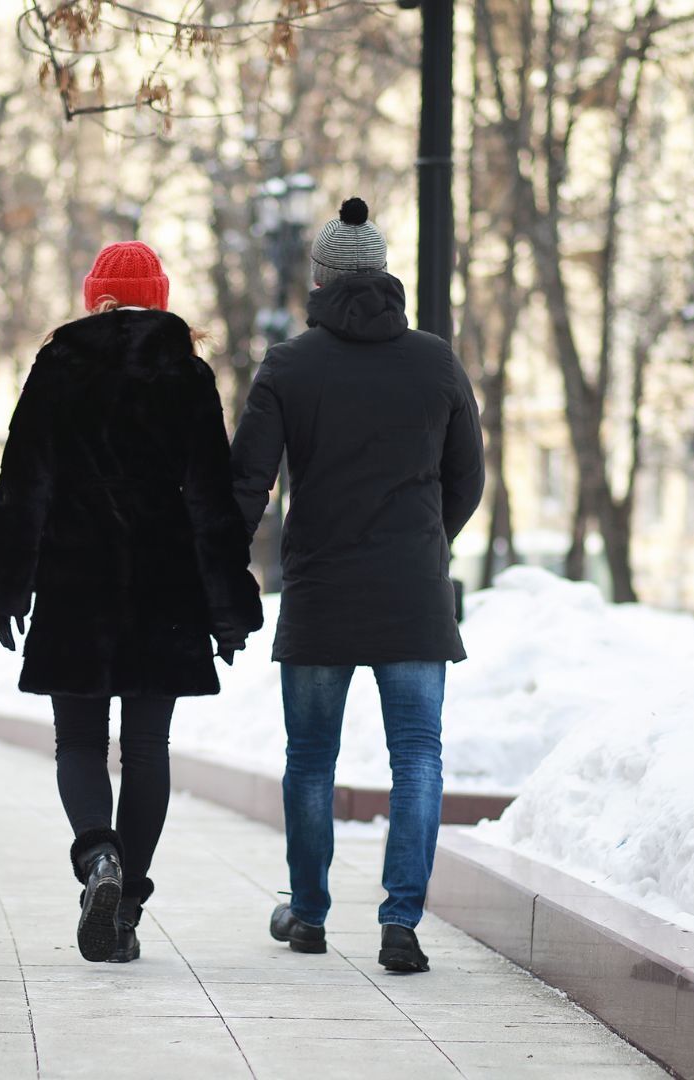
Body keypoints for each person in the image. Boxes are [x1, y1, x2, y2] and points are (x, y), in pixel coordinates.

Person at [0, 241, 264, 964]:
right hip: (164, 591)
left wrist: (7, 584)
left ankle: (96, 859)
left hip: (75, 585)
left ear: (91, 296)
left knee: (76, 742)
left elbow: (24, 483)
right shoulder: (188, 375)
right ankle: (127, 905)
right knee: (145, 749)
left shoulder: (58, 367)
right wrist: (227, 605)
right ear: (161, 297)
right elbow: (210, 501)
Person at [230, 198, 484, 974]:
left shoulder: (289, 365)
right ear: (383, 274)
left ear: (319, 279)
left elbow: (249, 481)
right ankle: (400, 922)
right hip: (411, 592)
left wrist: (219, 565)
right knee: (418, 756)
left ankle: (307, 915)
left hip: (321, 591)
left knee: (310, 757)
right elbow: (467, 479)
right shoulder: (435, 360)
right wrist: (426, 545)